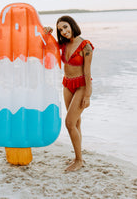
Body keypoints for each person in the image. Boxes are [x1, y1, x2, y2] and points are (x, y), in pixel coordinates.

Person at [44, 15, 94, 172]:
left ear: (72, 25)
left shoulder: (86, 47)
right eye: (60, 29)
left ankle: (79, 160)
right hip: (67, 84)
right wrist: (46, 34)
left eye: (65, 27)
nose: (64, 31)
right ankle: (78, 155)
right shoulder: (63, 44)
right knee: (76, 123)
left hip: (81, 85)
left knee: (69, 123)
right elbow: (45, 48)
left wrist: (87, 95)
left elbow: (87, 73)